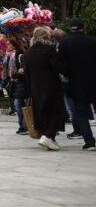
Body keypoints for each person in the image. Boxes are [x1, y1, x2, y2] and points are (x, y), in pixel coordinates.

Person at [22, 26, 67, 151]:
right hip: (51, 85)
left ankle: (49, 138)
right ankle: (48, 136)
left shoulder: (28, 53)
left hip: (35, 87)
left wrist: (29, 90)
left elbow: (27, 74)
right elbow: (57, 68)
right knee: (55, 111)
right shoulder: (50, 50)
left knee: (42, 112)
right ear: (46, 37)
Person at [57, 19, 96, 150]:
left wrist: (68, 73)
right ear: (83, 28)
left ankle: (89, 142)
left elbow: (61, 65)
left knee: (81, 113)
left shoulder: (64, 43)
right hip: (93, 81)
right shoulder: (92, 41)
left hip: (75, 83)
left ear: (71, 29)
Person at [6, 48, 29, 134]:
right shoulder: (11, 56)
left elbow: (24, 73)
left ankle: (26, 126)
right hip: (18, 87)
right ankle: (22, 126)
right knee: (19, 107)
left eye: (10, 44)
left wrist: (15, 75)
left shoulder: (22, 56)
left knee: (25, 107)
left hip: (25, 87)